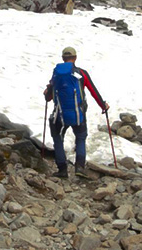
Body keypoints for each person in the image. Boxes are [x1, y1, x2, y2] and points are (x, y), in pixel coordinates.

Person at [44, 47, 109, 179]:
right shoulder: (81, 74)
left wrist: (47, 92)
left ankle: (62, 170)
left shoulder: (56, 74)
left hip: (59, 115)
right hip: (78, 114)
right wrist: (103, 105)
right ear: (75, 58)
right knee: (80, 138)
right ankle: (79, 167)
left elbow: (49, 97)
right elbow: (93, 91)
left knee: (58, 139)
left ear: (63, 58)